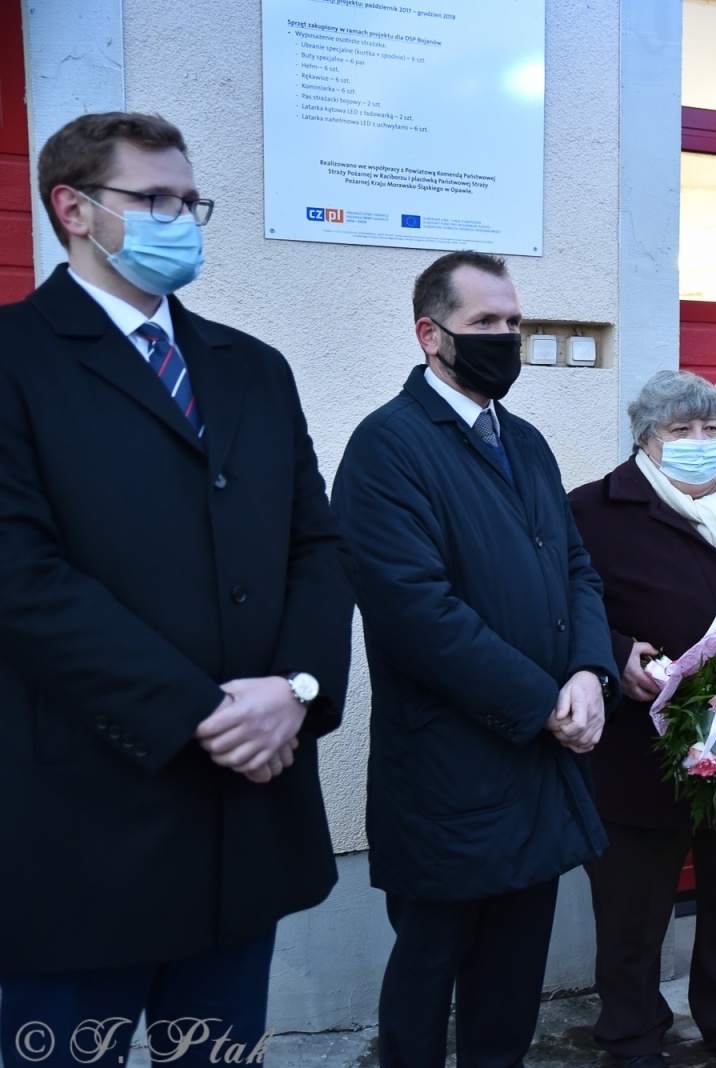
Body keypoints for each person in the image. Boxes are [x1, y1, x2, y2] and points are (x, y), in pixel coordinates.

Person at [0, 112, 353, 1065]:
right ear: (73, 209)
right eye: (151, 200)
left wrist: (298, 691)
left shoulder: (254, 369)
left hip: (248, 818)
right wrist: (201, 713)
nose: (180, 220)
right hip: (89, 824)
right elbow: (21, 580)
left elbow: (317, 547)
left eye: (188, 201)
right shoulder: (15, 360)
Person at [331, 251, 618, 1068]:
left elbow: (576, 568)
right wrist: (545, 705)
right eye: (485, 323)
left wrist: (590, 675)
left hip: (536, 767)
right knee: (430, 966)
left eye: (514, 322)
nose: (506, 338)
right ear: (431, 335)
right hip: (448, 773)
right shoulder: (387, 448)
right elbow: (417, 613)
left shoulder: (523, 441)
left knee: (512, 976)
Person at [568, 370, 716, 1068]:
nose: (700, 442)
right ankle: (633, 1036)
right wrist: (617, 654)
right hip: (642, 750)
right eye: (681, 430)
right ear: (646, 438)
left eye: (710, 430)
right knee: (634, 913)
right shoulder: (593, 509)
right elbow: (567, 606)